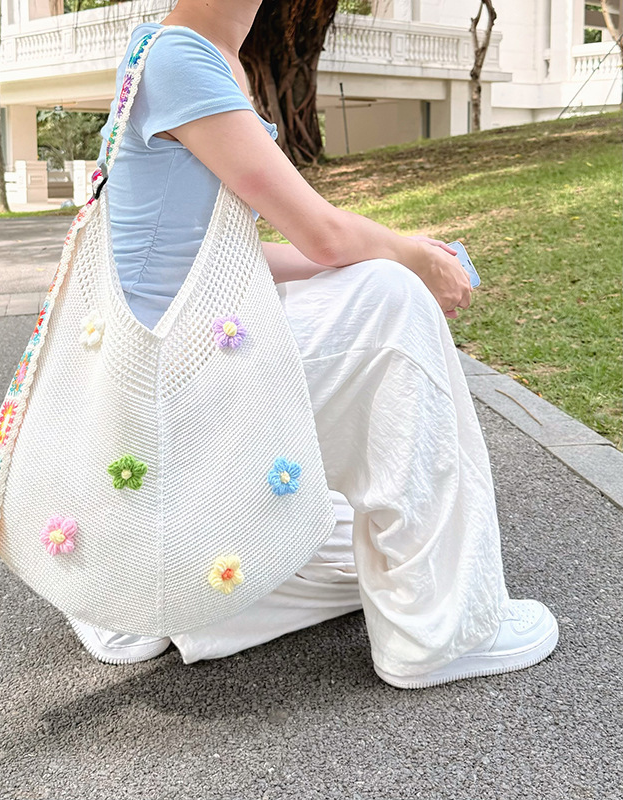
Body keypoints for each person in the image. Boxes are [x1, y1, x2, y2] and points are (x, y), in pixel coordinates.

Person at [66, 0, 559, 689]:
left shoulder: (191, 54)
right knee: (391, 299)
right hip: (177, 382)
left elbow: (223, 254)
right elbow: (323, 234)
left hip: (165, 378)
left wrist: (394, 251)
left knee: (331, 540)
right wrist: (410, 261)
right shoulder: (180, 58)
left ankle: (157, 594)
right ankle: (438, 635)